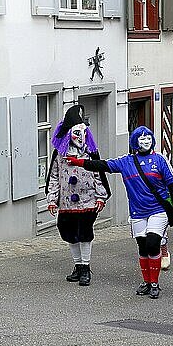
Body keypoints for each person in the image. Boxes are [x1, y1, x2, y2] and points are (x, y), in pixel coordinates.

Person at [67, 126, 173, 299]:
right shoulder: (126, 162)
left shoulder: (159, 159)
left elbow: (172, 183)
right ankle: (146, 282)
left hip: (158, 210)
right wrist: (79, 162)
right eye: (141, 138)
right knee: (143, 247)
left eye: (148, 137)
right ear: (134, 142)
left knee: (153, 243)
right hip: (138, 212)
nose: (145, 141)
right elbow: (103, 165)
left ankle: (155, 283)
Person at [45, 105, 111, 286]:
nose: (80, 136)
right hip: (67, 203)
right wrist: (52, 199)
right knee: (67, 232)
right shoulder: (60, 153)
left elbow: (99, 174)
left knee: (84, 233)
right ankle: (77, 265)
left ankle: (85, 268)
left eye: (83, 132)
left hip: (88, 200)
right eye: (76, 132)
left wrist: (100, 196)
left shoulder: (90, 152)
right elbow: (54, 176)